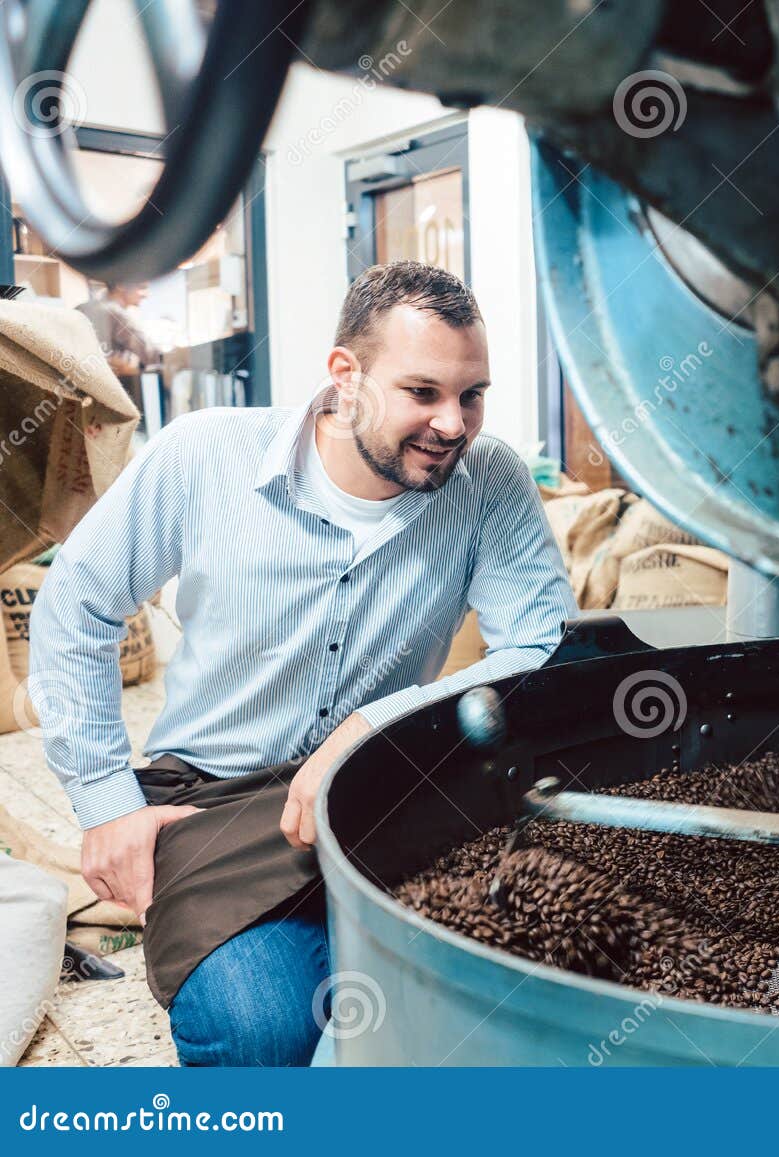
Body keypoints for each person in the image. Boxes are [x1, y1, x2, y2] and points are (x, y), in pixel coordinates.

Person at [29, 261, 578, 1065]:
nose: (455, 424)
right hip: (216, 806)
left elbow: (543, 650)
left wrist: (371, 724)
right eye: (423, 392)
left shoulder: (489, 481)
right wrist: (107, 803)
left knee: (515, 988)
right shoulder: (204, 455)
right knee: (267, 1032)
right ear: (345, 377)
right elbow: (75, 601)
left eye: (473, 394)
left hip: (397, 783)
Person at [77, 282, 160, 418]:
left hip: (82, 395)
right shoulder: (115, 312)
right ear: (121, 285)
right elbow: (150, 354)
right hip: (109, 397)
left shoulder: (81, 308)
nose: (146, 295)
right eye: (141, 287)